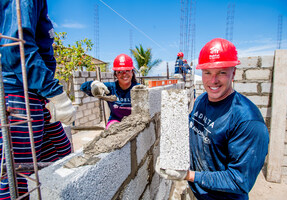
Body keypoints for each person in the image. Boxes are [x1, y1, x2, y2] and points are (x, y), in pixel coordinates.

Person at [156, 38, 269, 200]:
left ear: (233, 73)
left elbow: (240, 181)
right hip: (197, 192)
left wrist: (189, 175)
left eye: (222, 72)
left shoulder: (247, 121)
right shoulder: (202, 100)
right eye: (207, 72)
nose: (213, 80)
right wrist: (171, 156)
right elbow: (191, 132)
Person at [0, 0, 76, 199]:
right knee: (17, 180)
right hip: (18, 94)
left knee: (62, 157)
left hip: (34, 94)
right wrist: (55, 93)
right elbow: (16, 46)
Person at [80, 53, 140, 129]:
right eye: (120, 72)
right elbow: (83, 87)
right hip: (115, 121)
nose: (124, 74)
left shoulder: (138, 89)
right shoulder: (110, 88)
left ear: (132, 72)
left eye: (127, 70)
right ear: (115, 74)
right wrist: (93, 84)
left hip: (134, 122)